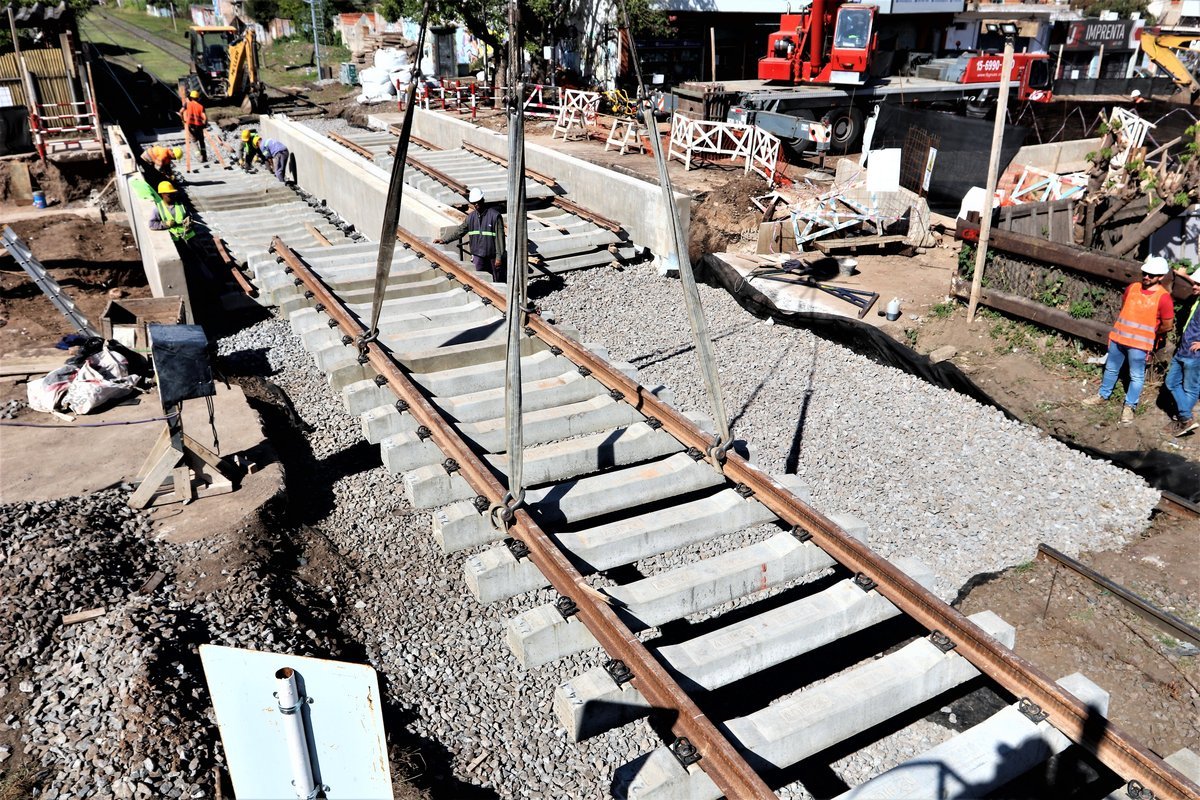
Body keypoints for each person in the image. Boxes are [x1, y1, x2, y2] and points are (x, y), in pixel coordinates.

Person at [1083, 256, 1174, 424]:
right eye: (1145, 273)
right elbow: (1125, 307)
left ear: (1160, 277)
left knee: (1136, 376)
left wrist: (1152, 332)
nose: (1146, 277)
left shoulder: (1163, 297)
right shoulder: (1133, 288)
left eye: (1151, 275)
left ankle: (1129, 406)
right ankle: (1103, 395)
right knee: (1111, 369)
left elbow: (1167, 325)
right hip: (1119, 338)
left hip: (1139, 345)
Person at [433, 187, 507, 282]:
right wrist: (445, 239)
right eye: (474, 203)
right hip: (478, 256)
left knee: (496, 281)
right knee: (479, 280)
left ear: (482, 200)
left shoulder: (494, 216)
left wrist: (499, 257)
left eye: (478, 202)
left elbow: (500, 239)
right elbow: (460, 231)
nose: (476, 205)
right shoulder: (471, 218)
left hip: (492, 257)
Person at [1164, 269, 1200, 437]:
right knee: (1171, 382)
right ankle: (1185, 417)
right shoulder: (1198, 298)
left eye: (1198, 284)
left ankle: (1183, 419)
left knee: (1190, 388)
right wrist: (1182, 274)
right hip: (1183, 350)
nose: (1195, 286)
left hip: (1194, 355)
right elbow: (1193, 283)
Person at [181, 90, 208, 164]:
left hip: (190, 125)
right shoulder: (201, 106)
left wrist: (183, 120)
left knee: (194, 142)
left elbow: (181, 111)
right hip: (199, 126)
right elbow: (204, 117)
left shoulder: (187, 104)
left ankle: (199, 157)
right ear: (198, 98)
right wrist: (204, 125)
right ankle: (204, 156)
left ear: (191, 97)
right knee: (202, 141)